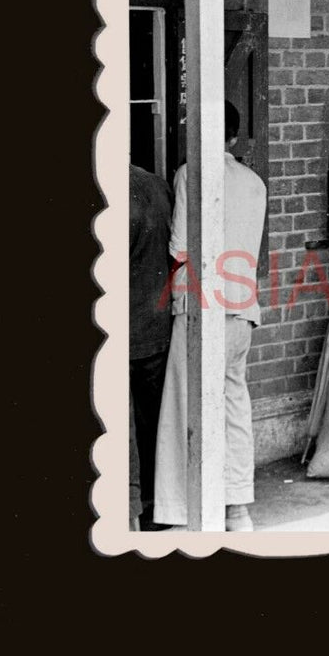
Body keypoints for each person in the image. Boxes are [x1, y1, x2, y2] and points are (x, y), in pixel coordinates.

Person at [153, 102, 267, 531]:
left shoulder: (189, 174)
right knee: (234, 404)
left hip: (202, 306)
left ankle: (182, 509)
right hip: (242, 307)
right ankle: (238, 509)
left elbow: (179, 248)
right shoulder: (255, 182)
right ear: (233, 139)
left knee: (186, 403)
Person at [129, 163, 173, 530]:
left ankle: (128, 506)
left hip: (122, 328)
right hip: (156, 326)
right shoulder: (158, 187)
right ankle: (154, 503)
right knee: (152, 421)